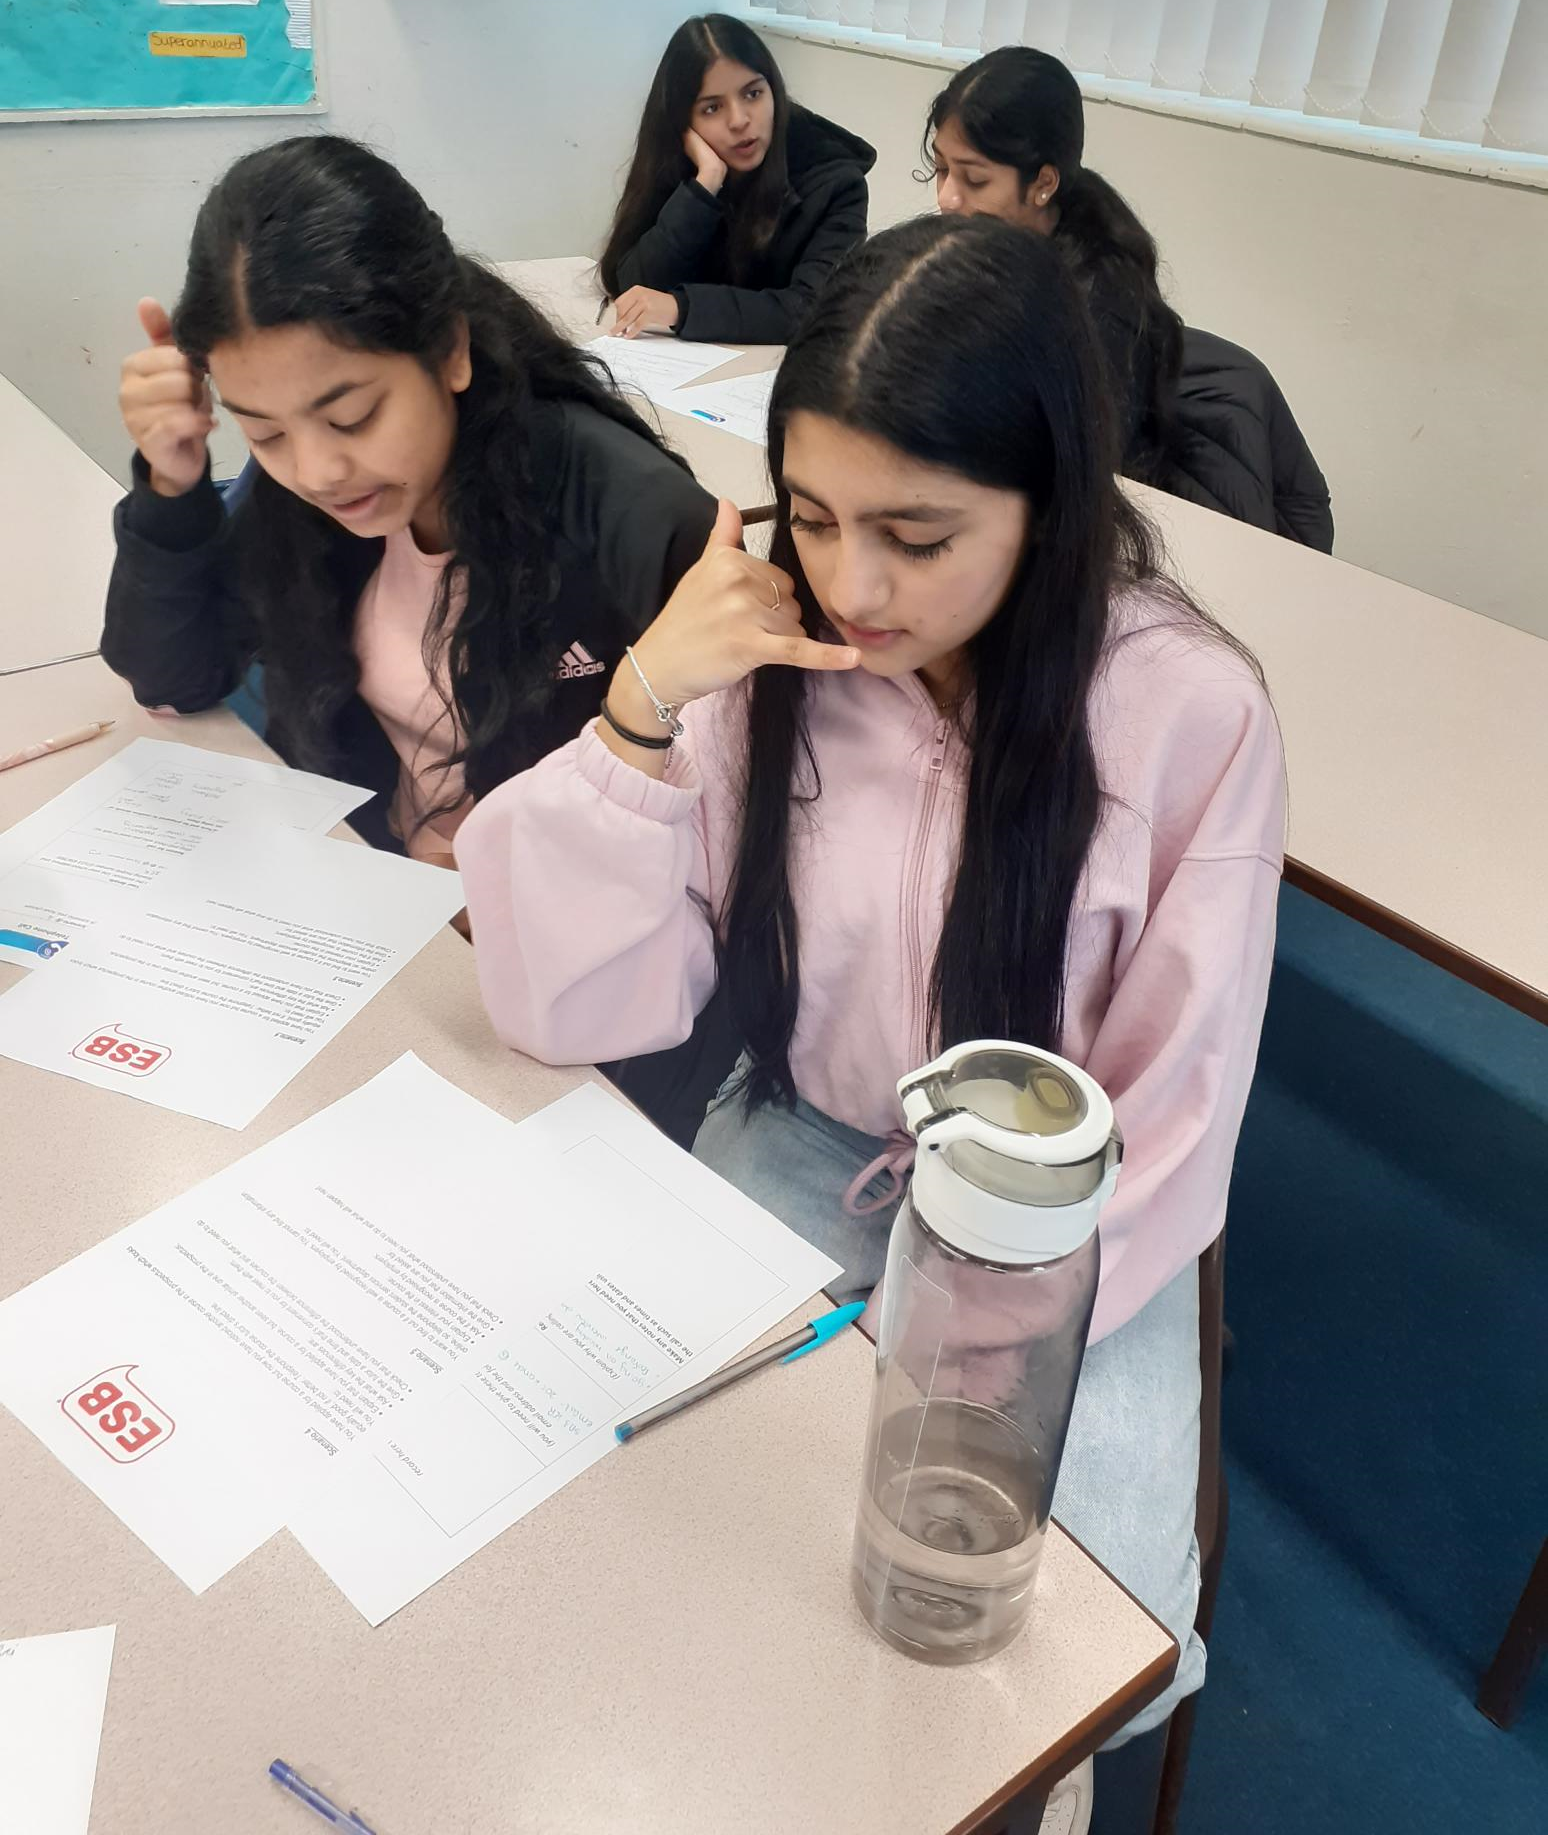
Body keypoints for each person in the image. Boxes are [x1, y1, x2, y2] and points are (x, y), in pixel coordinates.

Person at [455, 213, 1285, 1809]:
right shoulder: (776, 646)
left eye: (918, 531)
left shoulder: (1187, 710)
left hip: (1066, 1238)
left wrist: (967, 1326)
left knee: (1033, 1649)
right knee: (627, 1513)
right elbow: (562, 995)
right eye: (818, 516)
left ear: (1049, 508)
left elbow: (1180, 1103)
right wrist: (643, 700)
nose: (852, 579)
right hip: (800, 1142)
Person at [103, 134, 729, 1139]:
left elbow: (724, 851)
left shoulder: (628, 516)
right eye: (262, 430)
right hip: (367, 927)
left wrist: (488, 884)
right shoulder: (310, 501)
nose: (314, 465)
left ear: (450, 347)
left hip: (550, 990)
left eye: (349, 412)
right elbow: (174, 674)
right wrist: (173, 485)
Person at [929, 46, 1333, 547]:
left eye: (974, 178)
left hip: (1099, 512)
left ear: (1043, 184)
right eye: (940, 169)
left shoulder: (1100, 306)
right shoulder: (983, 244)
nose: (947, 198)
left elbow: (1058, 476)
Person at [599, 12, 874, 344]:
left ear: (774, 90)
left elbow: (810, 309)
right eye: (712, 108)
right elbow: (630, 284)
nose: (740, 120)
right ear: (684, 124)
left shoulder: (837, 182)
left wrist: (682, 308)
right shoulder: (687, 167)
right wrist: (704, 186)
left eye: (753, 94)